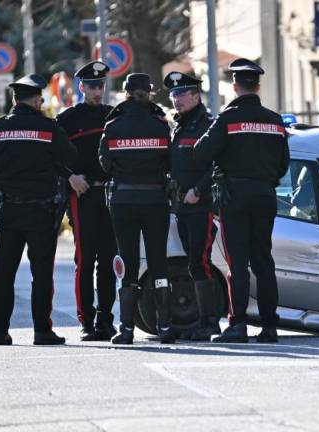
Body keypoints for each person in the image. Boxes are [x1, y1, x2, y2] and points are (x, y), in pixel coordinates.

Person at [0, 74, 77, 346]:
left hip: (7, 214)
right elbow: (70, 157)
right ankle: (42, 331)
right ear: (35, 100)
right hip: (42, 214)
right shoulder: (48, 129)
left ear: (13, 100)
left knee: (4, 274)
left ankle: (0, 331)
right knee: (41, 274)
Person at [193, 58, 289, 343]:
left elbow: (200, 153)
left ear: (235, 86)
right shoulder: (275, 120)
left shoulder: (227, 119)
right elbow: (284, 164)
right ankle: (270, 326)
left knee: (238, 262)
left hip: (234, 197)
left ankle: (238, 325)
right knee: (263, 261)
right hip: (265, 195)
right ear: (257, 85)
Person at [98, 73, 174, 344]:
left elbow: (104, 164)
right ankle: (165, 327)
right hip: (155, 201)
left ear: (126, 92)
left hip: (124, 202)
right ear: (150, 93)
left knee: (127, 263)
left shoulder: (114, 124)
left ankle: (127, 329)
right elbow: (171, 163)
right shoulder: (161, 124)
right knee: (158, 262)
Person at [56, 61, 117, 341]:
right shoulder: (68, 120)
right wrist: (70, 178)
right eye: (92, 86)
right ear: (81, 87)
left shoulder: (113, 116)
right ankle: (87, 322)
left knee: (108, 260)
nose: (97, 90)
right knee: (85, 259)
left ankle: (107, 319)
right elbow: (51, 157)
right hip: (83, 195)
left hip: (109, 194)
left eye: (101, 85)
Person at [163, 71, 220, 340]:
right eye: (173, 94)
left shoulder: (207, 125)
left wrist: (199, 190)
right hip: (182, 207)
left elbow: (219, 165)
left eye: (182, 93)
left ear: (196, 95)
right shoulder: (180, 126)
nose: (176, 99)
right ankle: (201, 320)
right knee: (192, 263)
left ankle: (209, 322)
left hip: (202, 206)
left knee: (201, 263)